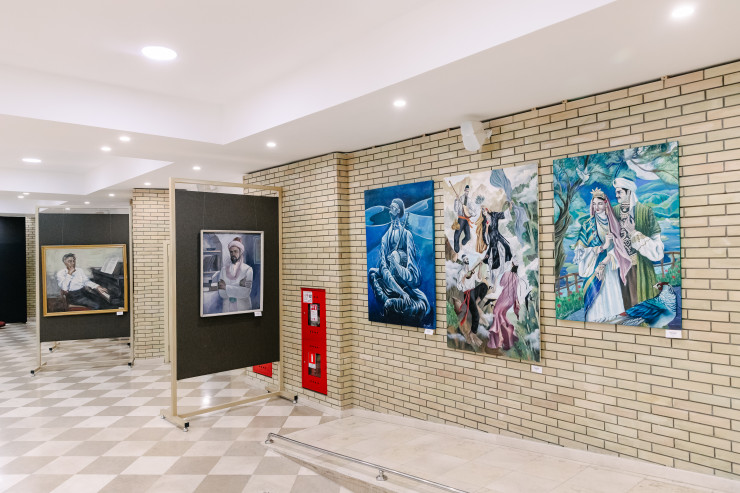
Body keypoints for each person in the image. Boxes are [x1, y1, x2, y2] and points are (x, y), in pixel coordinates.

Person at [573, 188, 632, 322]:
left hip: (610, 264)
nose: (597, 207)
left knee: (611, 291)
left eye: (600, 203)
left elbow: (620, 249)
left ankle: (614, 318)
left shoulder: (614, 223)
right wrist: (602, 247)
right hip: (592, 266)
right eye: (594, 204)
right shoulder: (587, 225)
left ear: (606, 204)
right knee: (596, 297)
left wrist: (604, 262)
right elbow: (580, 250)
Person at [369, 198, 430, 324]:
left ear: (399, 211)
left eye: (394, 207)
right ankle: (391, 302)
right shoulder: (385, 238)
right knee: (372, 273)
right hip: (390, 282)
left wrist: (397, 264)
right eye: (390, 206)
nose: (390, 209)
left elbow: (413, 273)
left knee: (421, 304)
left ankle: (398, 305)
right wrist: (400, 291)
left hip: (404, 282)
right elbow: (383, 267)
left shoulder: (406, 235)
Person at [613, 177, 664, 307]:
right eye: (616, 192)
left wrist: (633, 232)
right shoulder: (614, 211)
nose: (616, 195)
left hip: (641, 267)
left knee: (643, 303)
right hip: (621, 267)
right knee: (625, 304)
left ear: (629, 192)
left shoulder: (646, 211)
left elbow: (657, 246)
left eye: (619, 192)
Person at [475, 202, 513, 286]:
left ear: (487, 209)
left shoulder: (494, 215)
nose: (484, 211)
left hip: (498, 237)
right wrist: (487, 227)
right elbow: (485, 235)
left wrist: (510, 207)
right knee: (494, 260)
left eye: (484, 209)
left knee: (506, 248)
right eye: (482, 210)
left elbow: (504, 214)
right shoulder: (484, 222)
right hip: (492, 241)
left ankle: (505, 272)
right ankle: (494, 281)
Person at [487, 261, 521, 350]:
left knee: (496, 312)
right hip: (511, 300)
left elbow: (501, 283)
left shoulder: (507, 273)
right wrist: (516, 303)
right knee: (501, 315)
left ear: (512, 264)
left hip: (504, 298)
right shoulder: (517, 277)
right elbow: (515, 292)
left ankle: (500, 337)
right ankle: (508, 336)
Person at [216, 237, 254, 312]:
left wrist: (226, 287)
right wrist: (239, 285)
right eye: (231, 252)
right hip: (227, 309)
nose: (233, 254)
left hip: (243, 308)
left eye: (235, 251)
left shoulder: (248, 269)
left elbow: (245, 293)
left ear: (240, 252)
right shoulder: (223, 269)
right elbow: (221, 293)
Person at [453, 185, 476, 252]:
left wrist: (468, 210)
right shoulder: (460, 198)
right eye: (466, 191)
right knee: (457, 234)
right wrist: (456, 200)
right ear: (464, 190)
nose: (467, 192)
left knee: (468, 237)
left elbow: (474, 213)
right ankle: (456, 248)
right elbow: (455, 209)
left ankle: (463, 243)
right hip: (461, 219)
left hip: (466, 220)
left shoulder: (470, 200)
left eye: (468, 191)